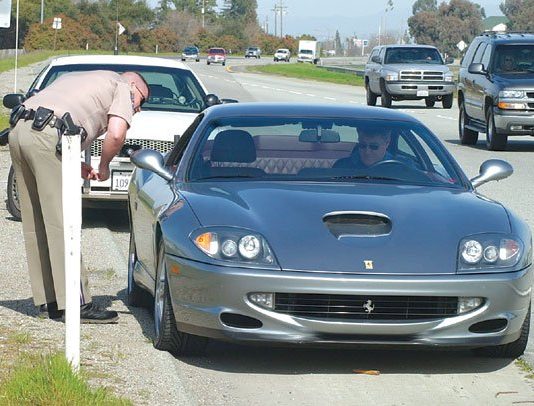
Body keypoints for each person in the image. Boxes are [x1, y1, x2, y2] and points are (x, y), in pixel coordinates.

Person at [8, 70, 149, 323]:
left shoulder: (78, 78)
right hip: (48, 134)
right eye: (142, 100)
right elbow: (117, 134)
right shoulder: (121, 85)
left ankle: (50, 300)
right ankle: (76, 303)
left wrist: (74, 161)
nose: (138, 109)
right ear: (134, 86)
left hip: (19, 130)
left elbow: (59, 117)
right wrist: (104, 166)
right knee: (63, 221)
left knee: (36, 221)